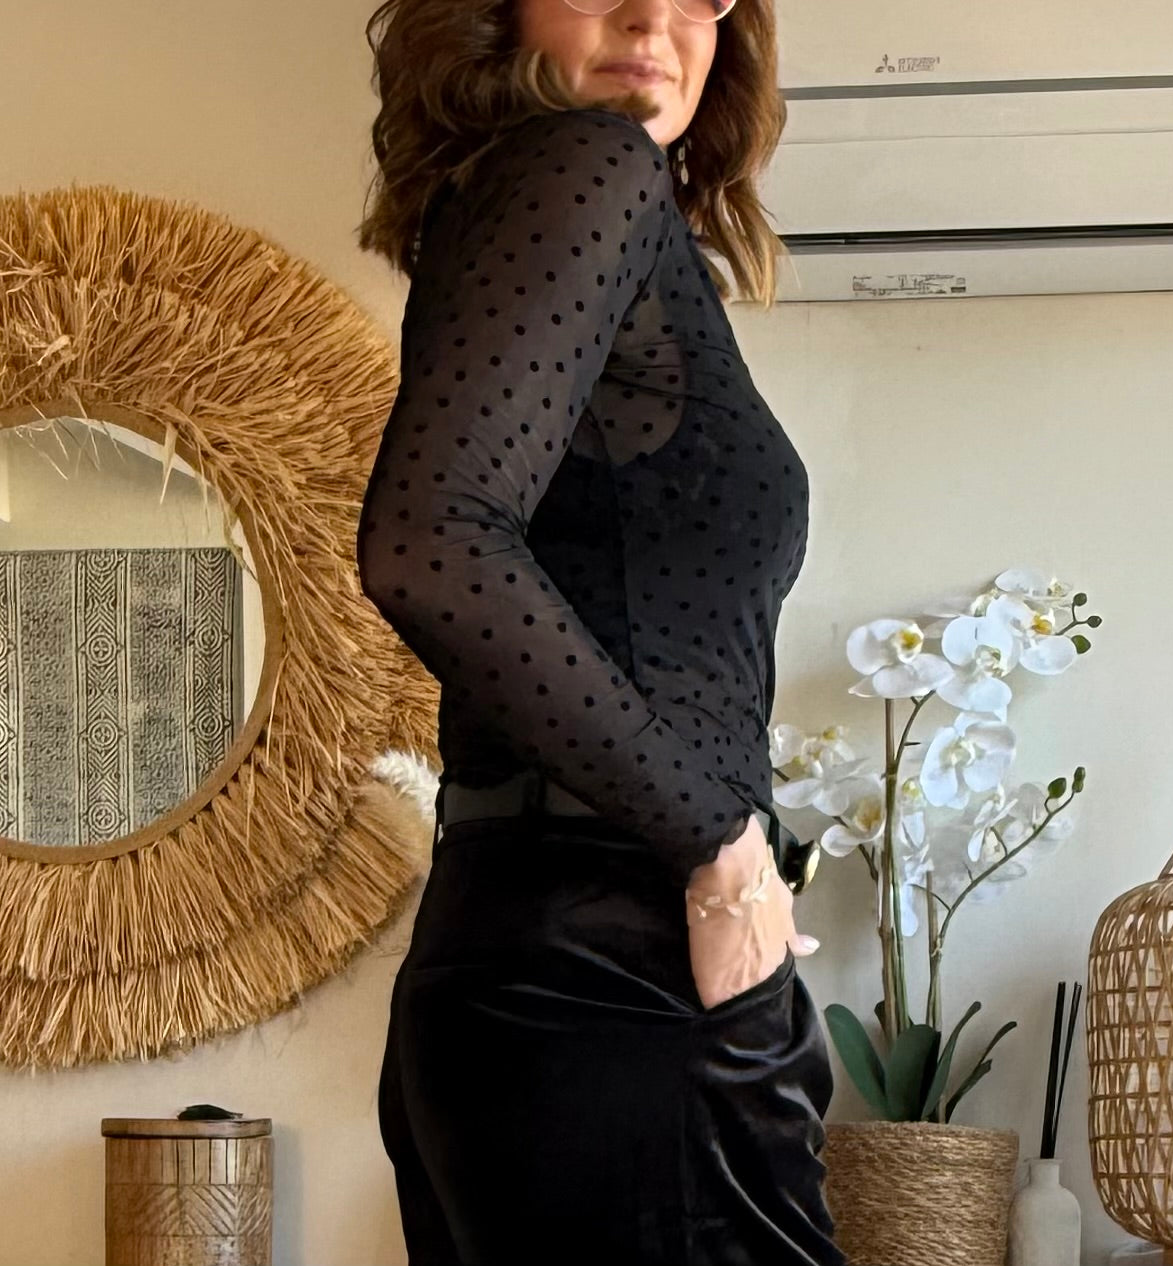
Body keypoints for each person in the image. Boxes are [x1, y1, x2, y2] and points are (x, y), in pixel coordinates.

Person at [355, 0, 844, 1261]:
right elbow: (429, 540)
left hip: (541, 957)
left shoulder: (539, 200)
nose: (653, 16)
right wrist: (721, 848)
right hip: (618, 971)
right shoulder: (586, 159)